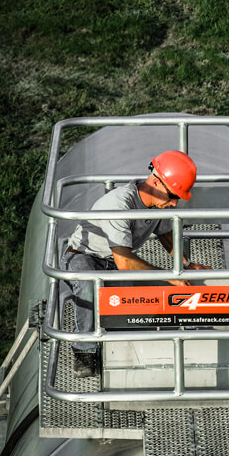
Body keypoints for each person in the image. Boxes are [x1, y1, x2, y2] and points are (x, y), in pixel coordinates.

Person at [62, 150, 210, 377]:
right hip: (84, 255)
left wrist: (185, 265)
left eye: (178, 198)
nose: (174, 202)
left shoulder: (158, 202)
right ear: (156, 181)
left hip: (114, 260)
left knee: (136, 300)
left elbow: (166, 234)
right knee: (88, 286)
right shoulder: (121, 204)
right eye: (172, 195)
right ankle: (85, 353)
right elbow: (126, 263)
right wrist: (170, 277)